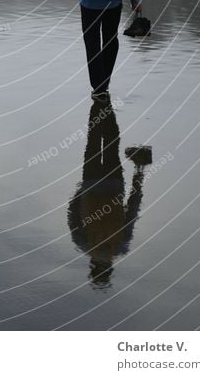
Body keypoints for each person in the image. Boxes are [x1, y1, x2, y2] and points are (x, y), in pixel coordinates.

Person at [67, 103, 147, 287]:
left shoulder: (121, 245)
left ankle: (105, 105)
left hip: (114, 185)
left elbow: (132, 210)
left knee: (111, 142)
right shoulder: (83, 242)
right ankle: (101, 104)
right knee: (94, 142)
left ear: (110, 266)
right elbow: (72, 214)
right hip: (91, 184)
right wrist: (80, 191)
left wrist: (138, 175)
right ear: (91, 265)